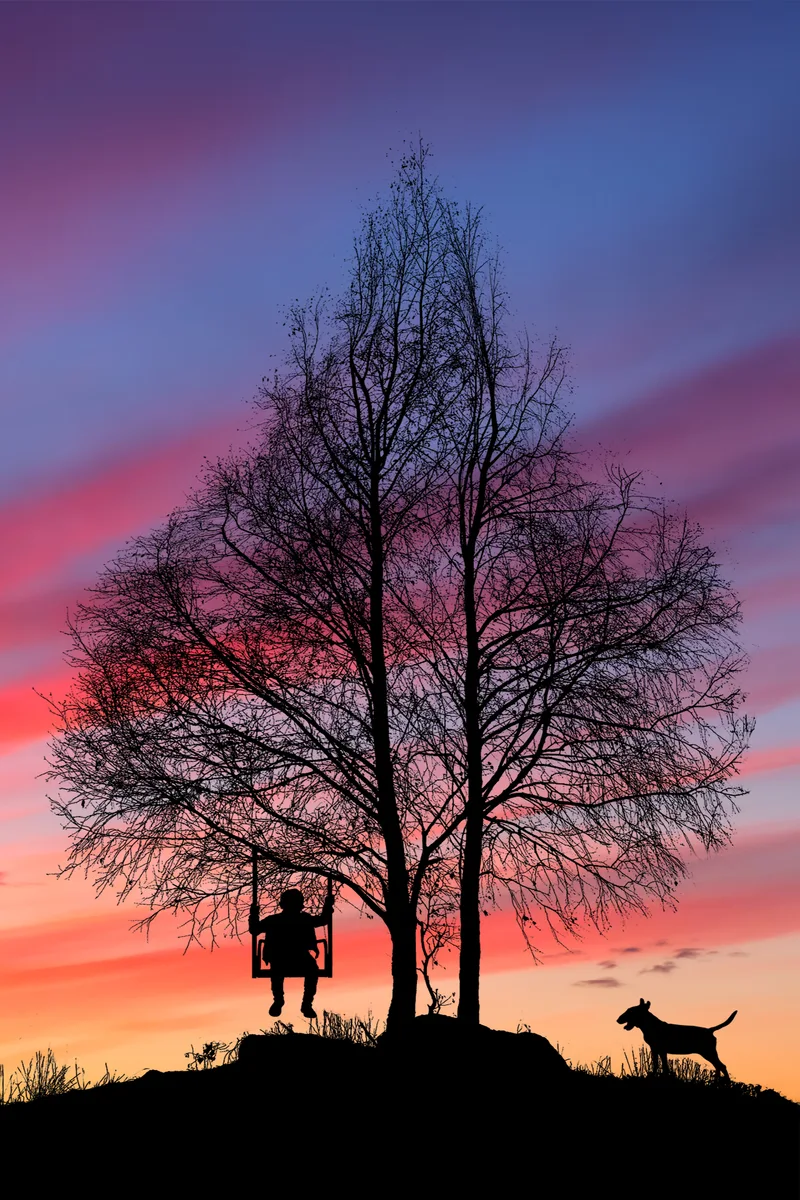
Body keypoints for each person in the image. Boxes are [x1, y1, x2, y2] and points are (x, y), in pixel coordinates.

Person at [250, 887, 333, 1019]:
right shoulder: (296, 919)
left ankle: (293, 1002)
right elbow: (323, 920)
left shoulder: (275, 920)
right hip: (286, 957)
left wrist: (254, 915)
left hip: (290, 957)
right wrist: (327, 906)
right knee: (299, 969)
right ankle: (292, 1002)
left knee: (306, 969)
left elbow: (255, 929)